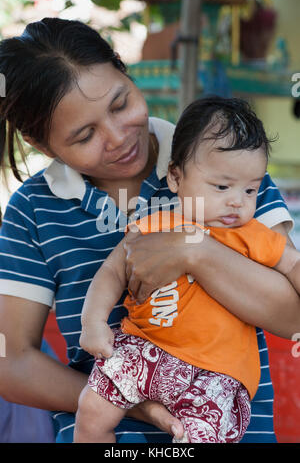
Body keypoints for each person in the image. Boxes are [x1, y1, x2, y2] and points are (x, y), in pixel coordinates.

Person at [0, 17, 299, 444]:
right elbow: (11, 361)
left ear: (125, 70)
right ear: (42, 144)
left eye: (120, 104)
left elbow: (293, 316)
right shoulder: (34, 208)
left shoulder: (225, 169)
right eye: (85, 135)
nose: (118, 137)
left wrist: (195, 251)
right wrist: (136, 403)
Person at [74, 97, 300, 443]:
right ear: (176, 178)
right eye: (222, 187)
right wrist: (92, 324)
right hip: (143, 349)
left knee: (200, 435)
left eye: (251, 189)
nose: (238, 201)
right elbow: (111, 272)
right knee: (91, 410)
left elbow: (294, 263)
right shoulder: (153, 225)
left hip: (216, 373)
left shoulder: (252, 234)